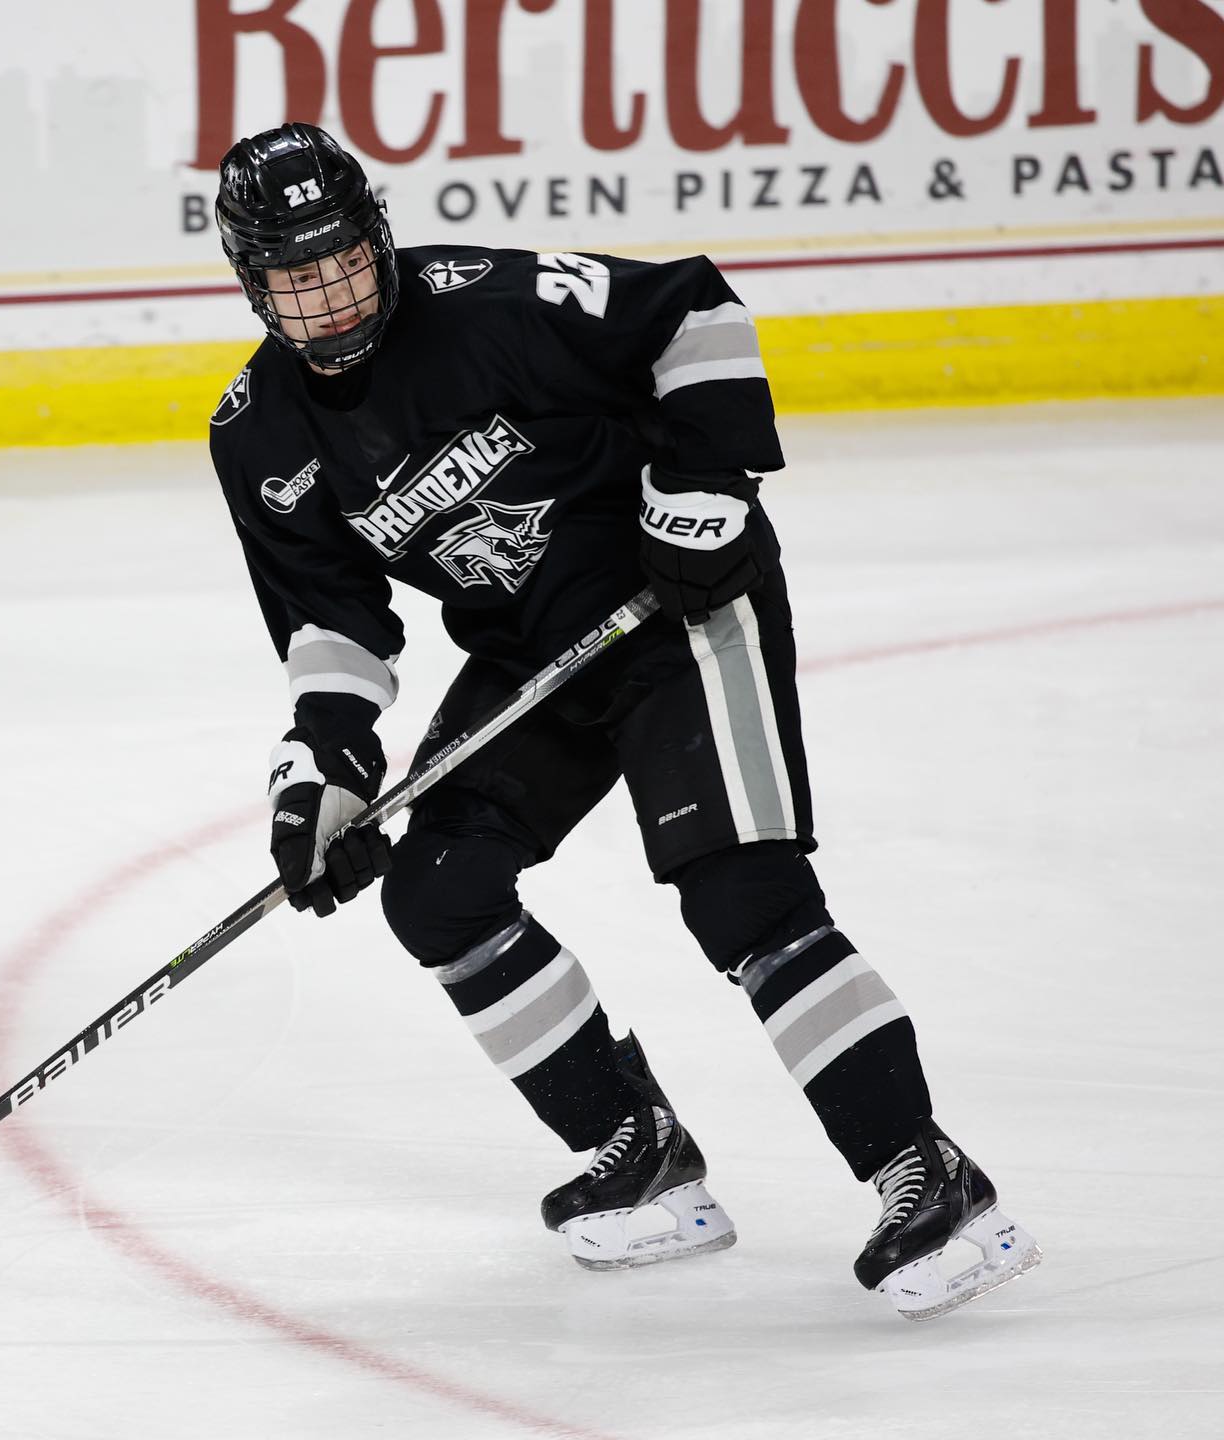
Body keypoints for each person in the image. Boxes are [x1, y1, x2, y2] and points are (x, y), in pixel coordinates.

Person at [207, 123, 1041, 1319]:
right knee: (437, 888)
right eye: (295, 277)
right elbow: (332, 624)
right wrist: (325, 771)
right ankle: (636, 1144)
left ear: (378, 238)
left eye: (342, 260)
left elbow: (692, 311)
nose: (329, 296)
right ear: (252, 283)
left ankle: (927, 1170)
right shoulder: (260, 436)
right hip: (531, 648)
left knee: (740, 893)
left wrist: (705, 483)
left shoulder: (485, 299)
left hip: (680, 605)